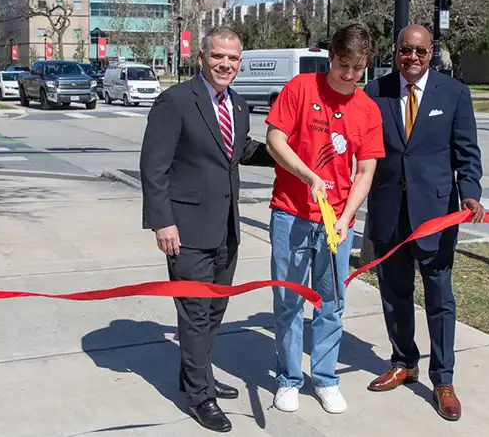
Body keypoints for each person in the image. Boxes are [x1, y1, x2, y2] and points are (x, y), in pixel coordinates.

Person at [139, 26, 275, 433]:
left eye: (233, 59)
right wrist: (162, 221)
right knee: (195, 314)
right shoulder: (176, 101)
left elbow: (239, 149)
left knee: (215, 311)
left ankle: (197, 375)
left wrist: (281, 154)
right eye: (218, 56)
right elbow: (154, 167)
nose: (225, 65)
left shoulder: (237, 103)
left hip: (227, 229)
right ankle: (200, 397)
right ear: (201, 57)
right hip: (187, 230)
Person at [362, 24, 485, 422]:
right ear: (395, 52)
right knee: (394, 293)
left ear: (432, 53)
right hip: (387, 211)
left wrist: (471, 193)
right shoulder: (374, 92)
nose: (412, 58)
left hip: (435, 214)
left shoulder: (454, 94)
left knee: (439, 297)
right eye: (404, 51)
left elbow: (467, 153)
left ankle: (443, 378)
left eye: (420, 51)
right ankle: (404, 362)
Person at [264, 22, 386, 414]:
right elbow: (274, 140)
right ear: (331, 56)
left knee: (331, 303)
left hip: (337, 224)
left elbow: (365, 171)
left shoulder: (367, 110)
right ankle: (288, 378)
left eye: (357, 68)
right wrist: (308, 176)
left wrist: (346, 218)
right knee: (288, 300)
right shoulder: (301, 88)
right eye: (343, 65)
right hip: (292, 213)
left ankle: (326, 378)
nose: (349, 75)